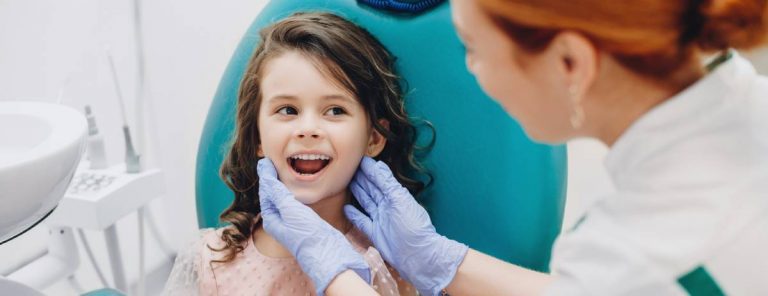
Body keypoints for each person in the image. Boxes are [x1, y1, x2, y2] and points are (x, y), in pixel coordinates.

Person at [257, 0, 768, 295]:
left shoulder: (631, 256)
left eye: (472, 48)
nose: (472, 73)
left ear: (569, 64)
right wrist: (439, 259)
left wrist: (339, 279)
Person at [163, 12, 429, 296]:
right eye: (288, 110)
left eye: (335, 110)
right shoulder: (214, 258)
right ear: (257, 137)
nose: (308, 129)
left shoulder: (384, 264)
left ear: (373, 139)